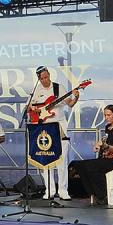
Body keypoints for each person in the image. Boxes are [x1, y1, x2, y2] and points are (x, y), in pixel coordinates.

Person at [28, 66, 79, 200]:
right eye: (42, 78)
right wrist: (33, 108)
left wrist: (76, 96)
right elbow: (29, 108)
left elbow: (70, 104)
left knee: (61, 160)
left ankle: (63, 191)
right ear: (38, 79)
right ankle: (49, 190)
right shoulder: (36, 91)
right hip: (44, 127)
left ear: (49, 75)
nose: (45, 80)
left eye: (46, 77)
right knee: (45, 158)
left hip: (58, 125)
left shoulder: (58, 88)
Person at [69, 104, 113, 205]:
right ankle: (93, 194)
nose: (106, 118)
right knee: (78, 164)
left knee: (92, 166)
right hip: (106, 159)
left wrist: (105, 146)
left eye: (109, 115)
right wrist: (98, 144)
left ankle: (102, 195)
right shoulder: (107, 128)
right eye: (105, 115)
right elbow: (105, 141)